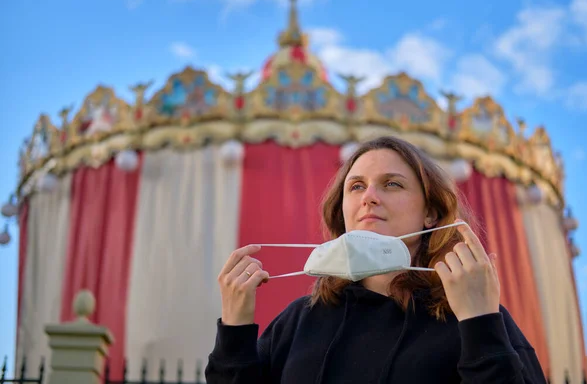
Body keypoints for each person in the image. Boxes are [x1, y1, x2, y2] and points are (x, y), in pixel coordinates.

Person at [205, 136, 546, 383]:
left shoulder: (471, 315)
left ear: (430, 212)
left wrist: (480, 323)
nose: (369, 197)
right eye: (356, 187)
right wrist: (235, 326)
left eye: (391, 184)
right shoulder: (300, 321)